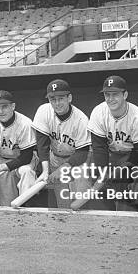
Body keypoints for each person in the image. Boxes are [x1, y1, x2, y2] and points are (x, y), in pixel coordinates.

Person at [87, 75, 138, 211]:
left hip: (134, 155)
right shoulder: (99, 112)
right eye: (107, 95)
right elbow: (99, 147)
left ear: (125, 95)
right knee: (91, 167)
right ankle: (104, 212)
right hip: (111, 153)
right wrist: (102, 174)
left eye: (115, 94)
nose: (110, 99)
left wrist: (124, 168)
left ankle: (128, 213)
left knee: (128, 179)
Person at [31, 79, 91, 209]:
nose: (57, 103)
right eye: (53, 99)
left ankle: (83, 222)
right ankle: (66, 226)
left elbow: (83, 152)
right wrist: (46, 170)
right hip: (55, 158)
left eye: (61, 98)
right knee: (63, 204)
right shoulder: (43, 111)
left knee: (79, 200)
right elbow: (42, 144)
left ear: (69, 98)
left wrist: (63, 169)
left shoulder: (81, 119)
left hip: (78, 160)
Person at [0, 90, 37, 206]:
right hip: (1, 158)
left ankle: (30, 210)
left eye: (5, 107)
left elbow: (26, 157)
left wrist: (0, 168)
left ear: (13, 106)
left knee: (27, 172)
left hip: (23, 160)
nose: (1, 111)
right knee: (7, 205)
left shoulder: (25, 123)